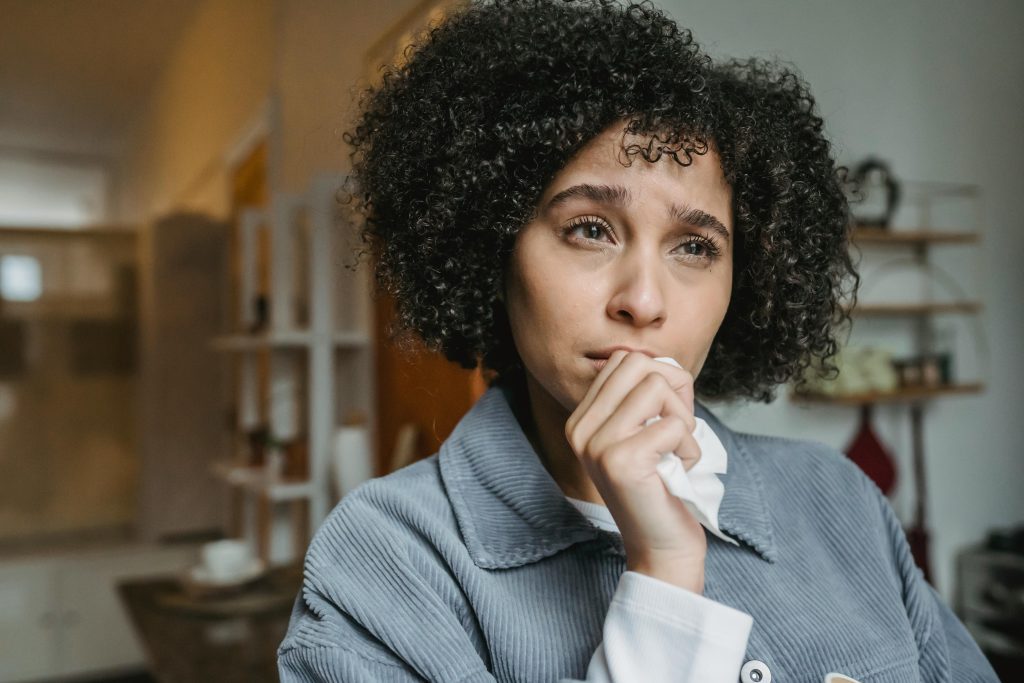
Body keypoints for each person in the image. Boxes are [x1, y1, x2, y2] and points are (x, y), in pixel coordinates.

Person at [278, 1, 999, 681]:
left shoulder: (837, 498)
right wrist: (662, 575)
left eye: (694, 247)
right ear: (492, 246)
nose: (644, 301)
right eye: (590, 229)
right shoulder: (381, 563)